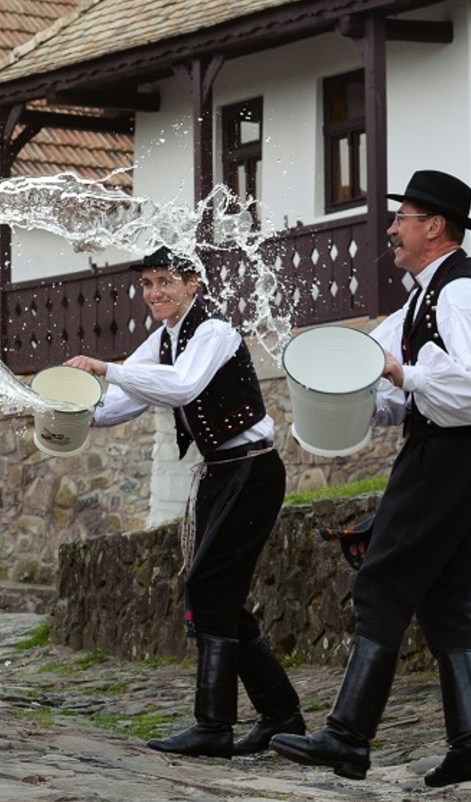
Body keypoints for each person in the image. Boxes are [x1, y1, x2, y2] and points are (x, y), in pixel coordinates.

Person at [272, 170, 471, 786]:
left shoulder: (461, 293)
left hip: (451, 458)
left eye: (403, 218)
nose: (392, 229)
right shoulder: (424, 296)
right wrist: (380, 389)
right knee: (446, 603)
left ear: (434, 227)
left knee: (382, 585)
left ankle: (346, 739)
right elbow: (394, 380)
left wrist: (404, 376)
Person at [65, 247, 301, 759]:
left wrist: (108, 366)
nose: (154, 293)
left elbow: (181, 386)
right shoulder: (164, 338)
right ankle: (283, 717)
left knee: (207, 584)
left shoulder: (213, 332)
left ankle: (214, 727)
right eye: (148, 283)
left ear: (193, 282)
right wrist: (61, 409)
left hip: (253, 470)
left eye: (165, 281)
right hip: (220, 474)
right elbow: (123, 403)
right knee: (219, 596)